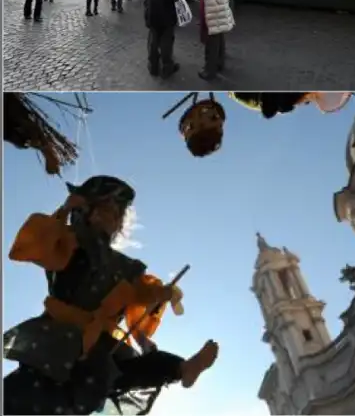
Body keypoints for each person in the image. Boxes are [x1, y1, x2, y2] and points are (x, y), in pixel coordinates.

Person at [2, 176, 219, 415]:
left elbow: (138, 296)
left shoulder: (125, 266)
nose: (113, 217)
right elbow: (34, 246)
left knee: (124, 369)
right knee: (25, 393)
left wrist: (159, 295)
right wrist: (64, 210)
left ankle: (183, 369)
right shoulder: (69, 241)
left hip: (102, 344)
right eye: (107, 209)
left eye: (118, 213)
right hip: (61, 335)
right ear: (88, 210)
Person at [145, 0, 182, 79]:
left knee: (153, 41)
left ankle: (153, 66)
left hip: (152, 12)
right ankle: (167, 67)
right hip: (166, 14)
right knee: (166, 42)